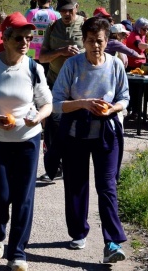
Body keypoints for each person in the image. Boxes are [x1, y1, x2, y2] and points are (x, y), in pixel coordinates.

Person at [0, 12, 53, 271]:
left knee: (24, 197)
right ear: (5, 38)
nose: (25, 42)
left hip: (28, 139)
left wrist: (37, 117)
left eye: (29, 37)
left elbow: (47, 103)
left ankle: (18, 252)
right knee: (2, 193)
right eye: (18, 38)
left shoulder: (33, 68)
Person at [51, 16, 129, 264]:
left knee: (107, 186)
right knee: (76, 185)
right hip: (76, 133)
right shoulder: (72, 65)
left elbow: (124, 97)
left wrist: (113, 109)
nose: (95, 46)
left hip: (107, 132)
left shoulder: (116, 65)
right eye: (90, 41)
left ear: (107, 41)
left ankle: (112, 242)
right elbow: (55, 103)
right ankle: (78, 231)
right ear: (83, 41)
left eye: (100, 41)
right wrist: (84, 103)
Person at [37, 0, 85, 183]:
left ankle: (73, 166)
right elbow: (42, 57)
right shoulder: (52, 27)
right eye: (62, 11)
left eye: (69, 10)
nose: (66, 14)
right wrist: (61, 51)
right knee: (52, 126)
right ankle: (54, 168)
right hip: (55, 83)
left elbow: (96, 52)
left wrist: (79, 53)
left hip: (78, 86)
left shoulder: (86, 25)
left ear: (76, 8)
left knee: (76, 128)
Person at [24, 0, 59, 65]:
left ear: (37, 0)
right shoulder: (56, 15)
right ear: (50, 0)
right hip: (48, 53)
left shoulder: (29, 13)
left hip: (31, 53)